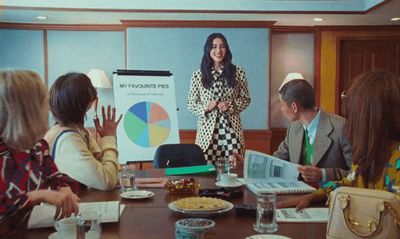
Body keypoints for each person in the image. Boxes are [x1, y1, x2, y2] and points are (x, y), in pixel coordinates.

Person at [278, 70, 400, 210]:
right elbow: (349, 182)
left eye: (354, 113)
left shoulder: (396, 159)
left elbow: (390, 214)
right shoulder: (367, 153)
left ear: (372, 117)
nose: (349, 122)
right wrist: (313, 196)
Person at [0, 70, 80, 236]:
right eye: (44, 103)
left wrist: (64, 188)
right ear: (28, 112)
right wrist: (36, 196)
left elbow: (58, 177)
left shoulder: (38, 148)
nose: (49, 110)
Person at [235, 79, 352, 183]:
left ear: (294, 107)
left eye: (282, 105)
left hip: (328, 199)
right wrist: (248, 163)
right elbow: (277, 160)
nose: (281, 109)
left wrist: (323, 174)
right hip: (297, 196)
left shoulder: (341, 127)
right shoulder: (293, 128)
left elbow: (358, 174)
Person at [44, 72, 122, 191]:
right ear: (87, 103)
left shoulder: (77, 130)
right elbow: (107, 181)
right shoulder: (68, 140)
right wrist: (109, 137)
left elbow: (104, 167)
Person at [187, 32, 251, 163]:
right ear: (208, 49)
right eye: (214, 46)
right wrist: (206, 107)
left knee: (235, 170)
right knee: (207, 174)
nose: (218, 50)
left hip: (232, 131)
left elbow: (246, 99)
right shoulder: (198, 75)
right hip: (207, 136)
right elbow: (190, 103)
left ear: (226, 49)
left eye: (222, 46)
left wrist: (231, 105)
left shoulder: (238, 72)